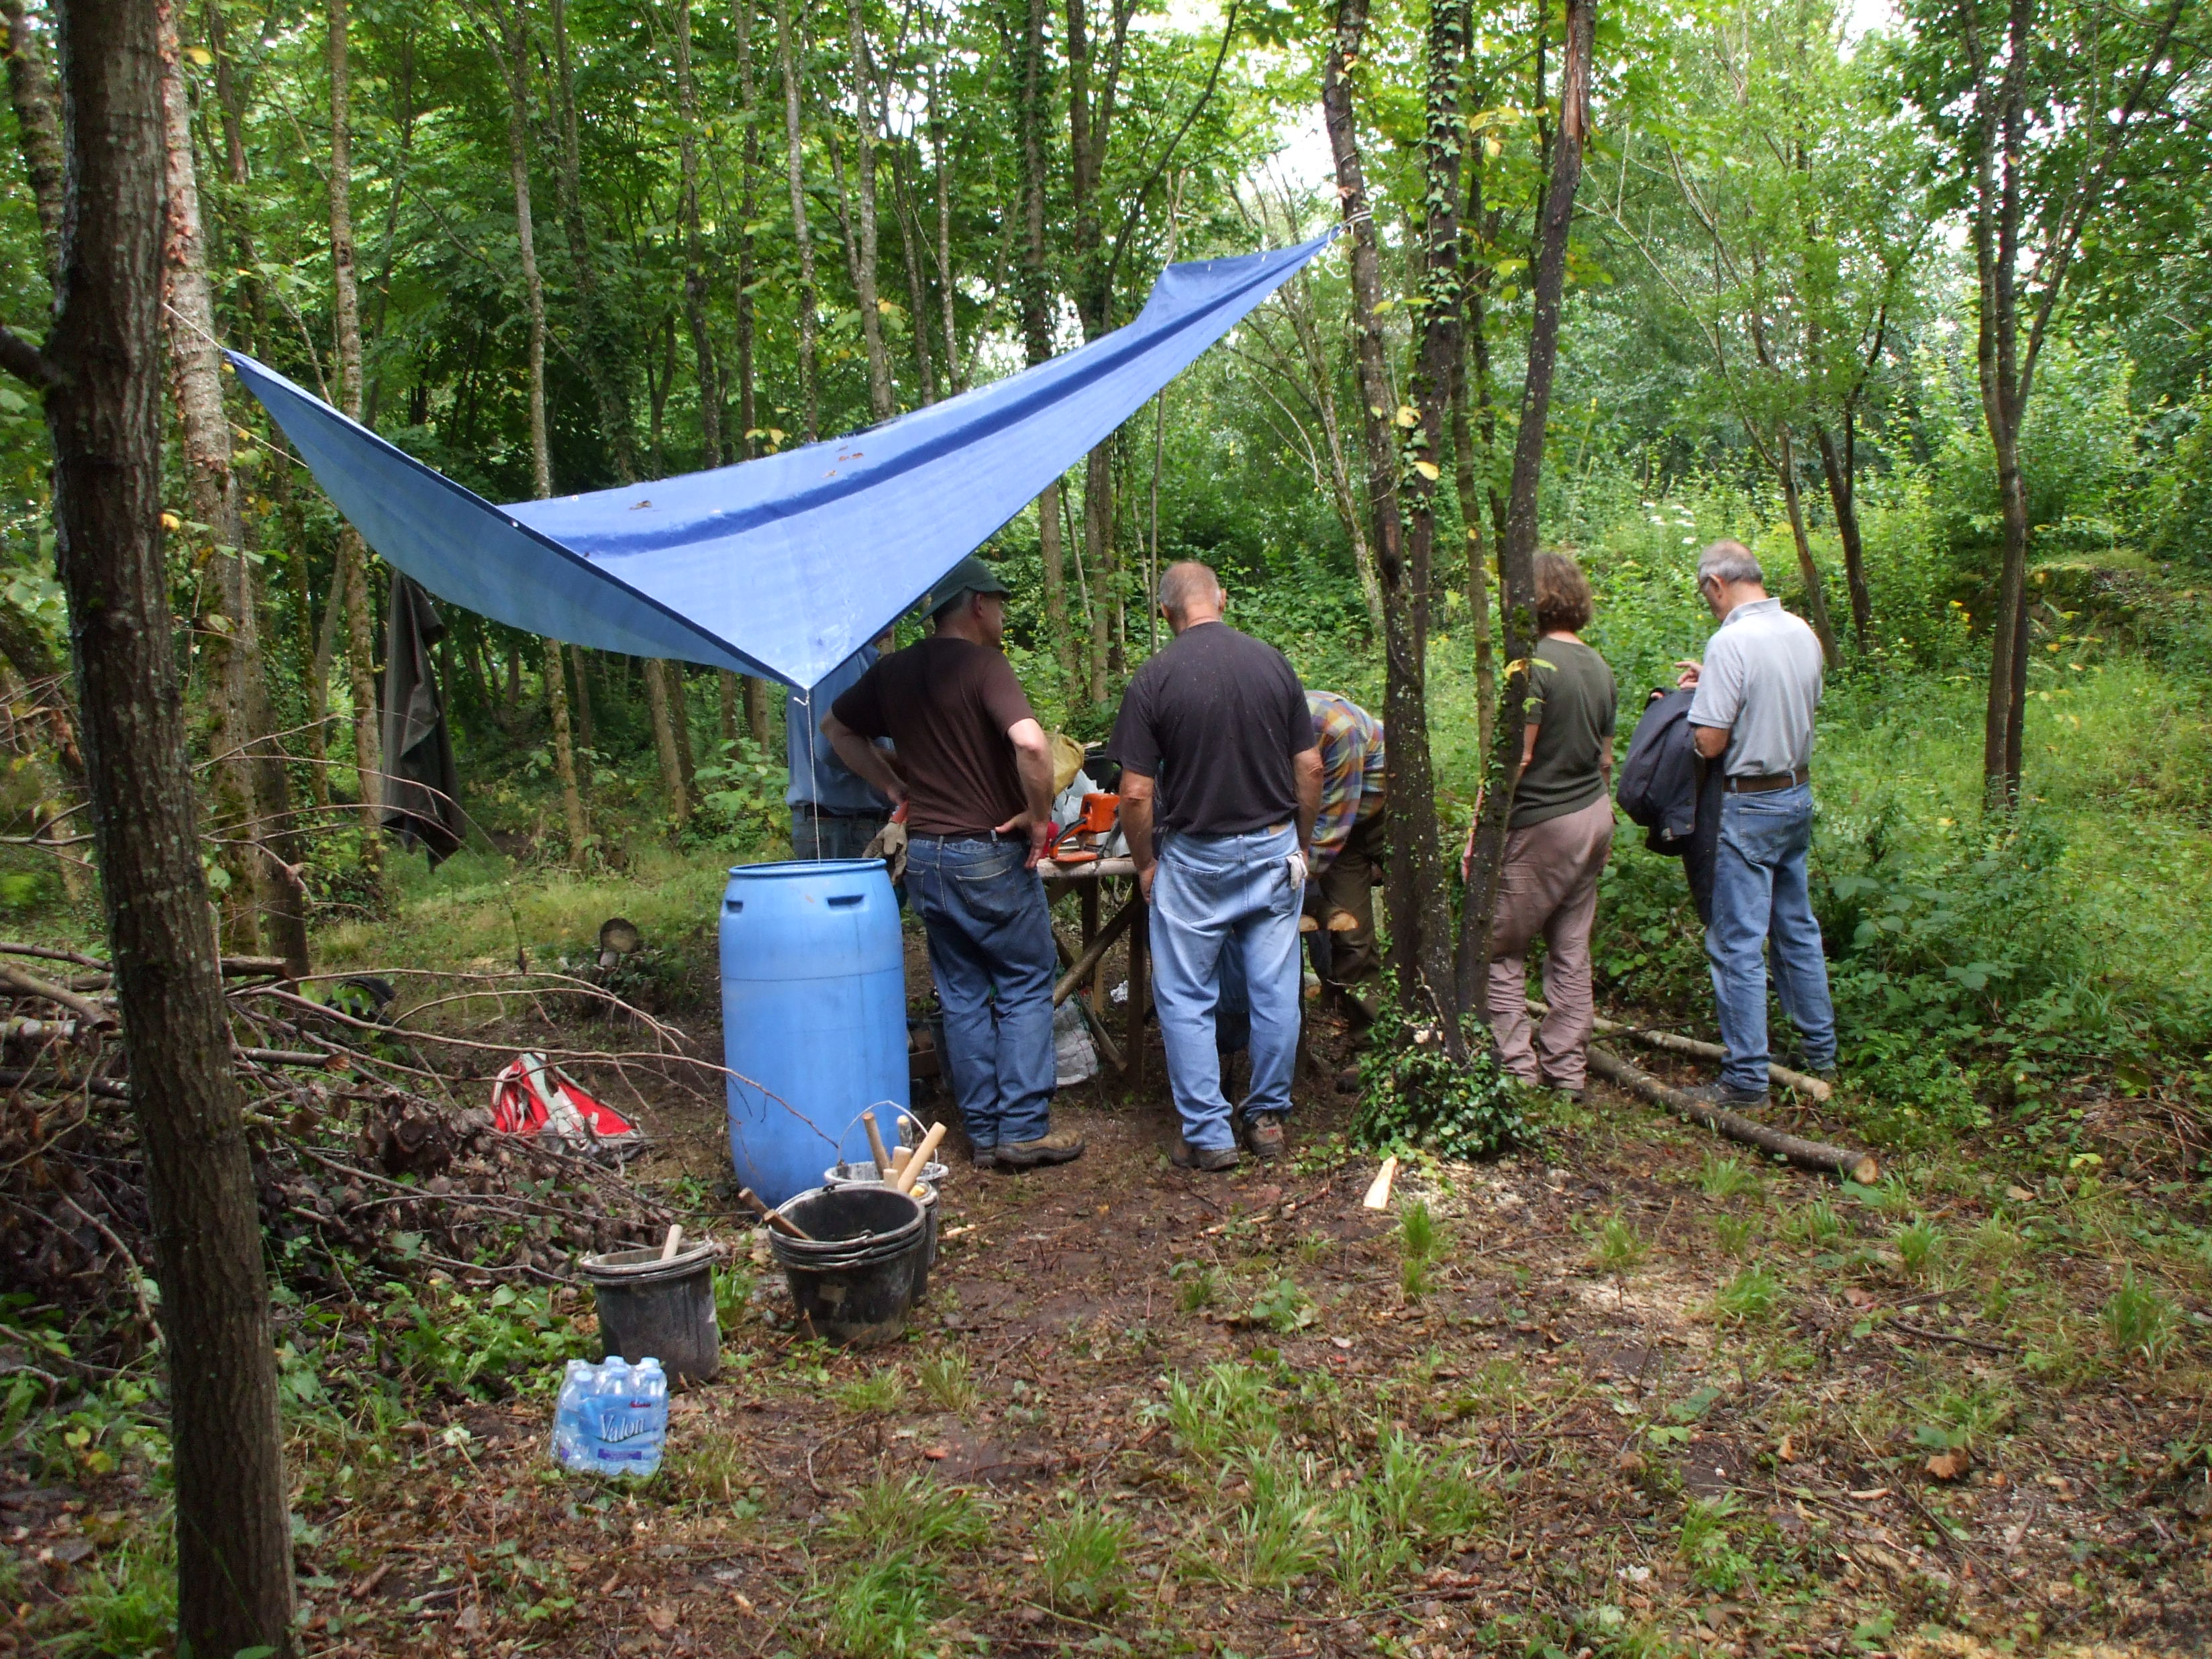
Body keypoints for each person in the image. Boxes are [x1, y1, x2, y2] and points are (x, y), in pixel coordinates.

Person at [823, 556, 1085, 1171]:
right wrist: (1039, 819)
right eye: (999, 603)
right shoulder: (984, 665)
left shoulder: (893, 671)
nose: (1003, 614)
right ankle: (1023, 1130)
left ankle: (985, 1134)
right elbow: (1031, 742)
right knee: (1024, 982)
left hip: (926, 857)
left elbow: (837, 728)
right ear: (976, 604)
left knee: (963, 994)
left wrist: (893, 788)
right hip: (986, 853)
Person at [1113, 561, 1322, 1170]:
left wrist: (1145, 864)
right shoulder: (1273, 664)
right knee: (1275, 989)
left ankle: (1208, 1134)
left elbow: (1134, 794)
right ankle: (1267, 1118)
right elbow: (1310, 767)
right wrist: (1300, 844)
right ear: (1222, 598)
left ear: (1165, 613)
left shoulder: (1154, 677)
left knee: (1185, 995)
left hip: (1196, 860)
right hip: (1273, 848)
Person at [1675, 539, 1837, 1105]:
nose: (1709, 605)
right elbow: (1780, 697)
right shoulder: (1800, 630)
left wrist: (1697, 709)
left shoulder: (1731, 641)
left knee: (1736, 942)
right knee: (1796, 926)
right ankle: (1820, 1051)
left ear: (1716, 584)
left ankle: (1746, 1079)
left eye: (1707, 595)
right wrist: (1715, 681)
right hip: (1796, 792)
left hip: (1749, 803)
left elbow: (1710, 742)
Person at [1479, 552, 1618, 1097]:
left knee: (1499, 948)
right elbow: (1605, 761)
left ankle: (1516, 1070)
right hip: (1593, 818)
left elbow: (1518, 758)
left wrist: (1483, 829)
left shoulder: (1532, 665)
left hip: (1544, 823)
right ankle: (1567, 1073)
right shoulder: (1599, 666)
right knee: (1571, 950)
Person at [1304, 691, 1385, 1035]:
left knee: (1421, 920)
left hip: (1388, 813)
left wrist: (1289, 882)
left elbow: (1328, 833)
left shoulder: (1333, 727)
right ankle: (1369, 1040)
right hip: (1339, 825)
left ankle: (1430, 1024)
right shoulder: (1255, 733)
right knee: (1351, 935)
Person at [786, 631, 895, 860]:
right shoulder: (843, 658)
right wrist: (900, 772)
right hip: (844, 826)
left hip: (833, 824)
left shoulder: (825, 653)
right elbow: (833, 746)